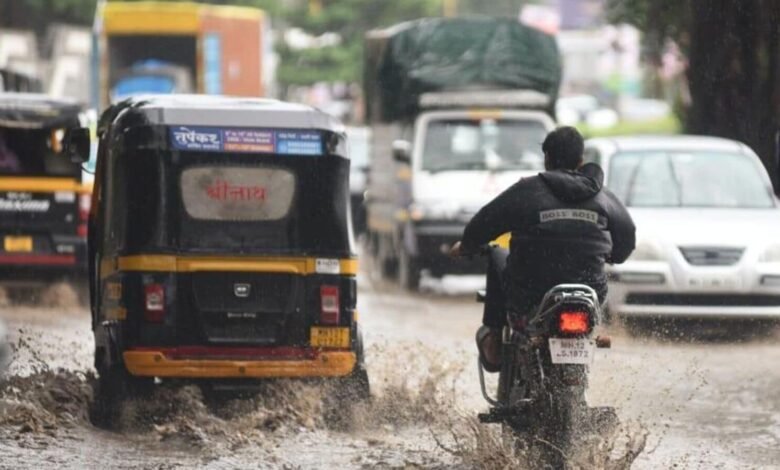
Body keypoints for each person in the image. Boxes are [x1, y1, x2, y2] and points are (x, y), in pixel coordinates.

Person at [450, 126, 635, 371]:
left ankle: (494, 340)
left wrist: (467, 246)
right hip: (589, 293)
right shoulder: (603, 196)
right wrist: (614, 256)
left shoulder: (527, 190)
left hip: (531, 292)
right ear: (581, 160)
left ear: (546, 158)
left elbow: (483, 223)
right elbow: (627, 236)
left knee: (496, 251)